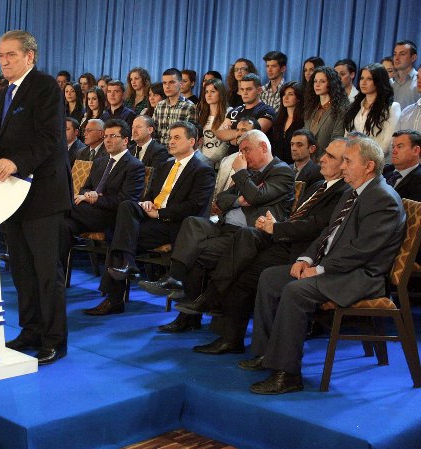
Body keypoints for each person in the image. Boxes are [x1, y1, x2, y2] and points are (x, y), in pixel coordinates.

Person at [240, 137, 405, 395]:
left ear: (369, 166)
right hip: (336, 269)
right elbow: (327, 234)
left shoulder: (383, 199)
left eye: (348, 161)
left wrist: (319, 269)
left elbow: (361, 251)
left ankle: (288, 374)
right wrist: (305, 259)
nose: (343, 166)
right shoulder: (352, 192)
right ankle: (266, 354)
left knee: (295, 291)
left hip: (360, 277)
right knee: (270, 277)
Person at [186, 138, 349, 354]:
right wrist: (275, 224)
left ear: (345, 163)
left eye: (330, 156)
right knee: (241, 249)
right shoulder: (319, 186)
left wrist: (277, 228)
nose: (321, 159)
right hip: (284, 238)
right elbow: (223, 199)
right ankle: (225, 329)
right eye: (325, 153)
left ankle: (218, 311)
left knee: (242, 263)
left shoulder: (342, 191)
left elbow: (315, 227)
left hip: (301, 250)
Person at [0, 30, 72, 366]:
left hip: (43, 195)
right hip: (12, 196)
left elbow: (49, 138)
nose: (4, 61)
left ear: (30, 56)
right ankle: (30, 331)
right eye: (1, 55)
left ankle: (54, 340)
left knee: (46, 273)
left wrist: (17, 162)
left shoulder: (45, 87)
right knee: (22, 270)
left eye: (11, 54)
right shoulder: (4, 93)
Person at [140, 130, 294, 331]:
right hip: (223, 225)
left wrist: (241, 173)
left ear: (263, 147)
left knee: (197, 251)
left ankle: (191, 314)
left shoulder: (281, 172)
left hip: (248, 234)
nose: (242, 156)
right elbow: (221, 199)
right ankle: (174, 277)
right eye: (240, 151)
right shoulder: (250, 173)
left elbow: (256, 197)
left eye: (246, 150)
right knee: (193, 223)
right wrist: (239, 200)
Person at [86, 121, 215, 315]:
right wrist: (147, 203)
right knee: (127, 207)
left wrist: (160, 213)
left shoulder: (202, 169)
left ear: (192, 142)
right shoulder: (165, 165)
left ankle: (114, 298)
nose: (171, 142)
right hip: (152, 218)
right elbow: (151, 195)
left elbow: (195, 206)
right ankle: (127, 265)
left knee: (119, 237)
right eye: (170, 138)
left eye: (177, 138)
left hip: (174, 225)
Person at [62, 119, 145, 275]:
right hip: (86, 214)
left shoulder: (134, 166)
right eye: (106, 136)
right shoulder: (99, 162)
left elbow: (127, 201)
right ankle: (55, 274)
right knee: (62, 225)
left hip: (110, 216)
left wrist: (96, 198)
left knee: (62, 208)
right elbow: (85, 187)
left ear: (125, 140)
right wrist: (88, 193)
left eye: (113, 136)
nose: (107, 140)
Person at [344, 63, 401, 162]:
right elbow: (347, 135)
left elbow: (388, 142)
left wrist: (366, 159)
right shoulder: (354, 106)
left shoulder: (392, 107)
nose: (363, 82)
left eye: (369, 79)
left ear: (379, 81)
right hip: (353, 160)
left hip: (377, 161)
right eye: (362, 78)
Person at [216, 73, 276, 154]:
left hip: (253, 157)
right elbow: (219, 133)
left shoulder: (266, 110)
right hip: (231, 157)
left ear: (259, 90)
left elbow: (253, 135)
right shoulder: (235, 110)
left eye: (248, 89)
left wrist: (229, 138)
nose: (244, 93)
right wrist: (243, 133)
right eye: (242, 89)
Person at [304, 66, 349, 159]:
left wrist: (323, 159)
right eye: (315, 81)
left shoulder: (341, 109)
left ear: (331, 83)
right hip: (308, 160)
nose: (317, 85)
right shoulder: (311, 108)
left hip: (327, 160)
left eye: (322, 81)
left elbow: (336, 139)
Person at [152, 68, 197, 147]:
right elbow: (153, 132)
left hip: (178, 151)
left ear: (180, 84)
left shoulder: (189, 106)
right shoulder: (159, 105)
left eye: (172, 82)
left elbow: (189, 136)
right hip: (159, 151)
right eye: (164, 83)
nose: (167, 86)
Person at [197, 78, 229, 166]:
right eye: (206, 92)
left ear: (220, 93)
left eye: (213, 91)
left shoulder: (229, 113)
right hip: (201, 160)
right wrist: (200, 159)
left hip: (220, 163)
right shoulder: (202, 113)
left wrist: (208, 161)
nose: (209, 95)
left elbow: (226, 144)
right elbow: (199, 140)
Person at [271, 81, 305, 163]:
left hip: (295, 164)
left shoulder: (304, 120)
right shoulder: (277, 118)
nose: (285, 98)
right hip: (276, 163)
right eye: (284, 94)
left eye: (290, 94)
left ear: (298, 98)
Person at [384, 130, 421, 200]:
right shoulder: (384, 170)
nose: (393, 151)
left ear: (416, 150)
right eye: (393, 147)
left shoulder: (418, 180)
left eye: (399, 147)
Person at [391, 40, 420, 108]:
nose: (397, 58)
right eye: (395, 54)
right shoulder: (390, 82)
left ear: (413, 58)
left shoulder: (419, 81)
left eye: (402, 54)